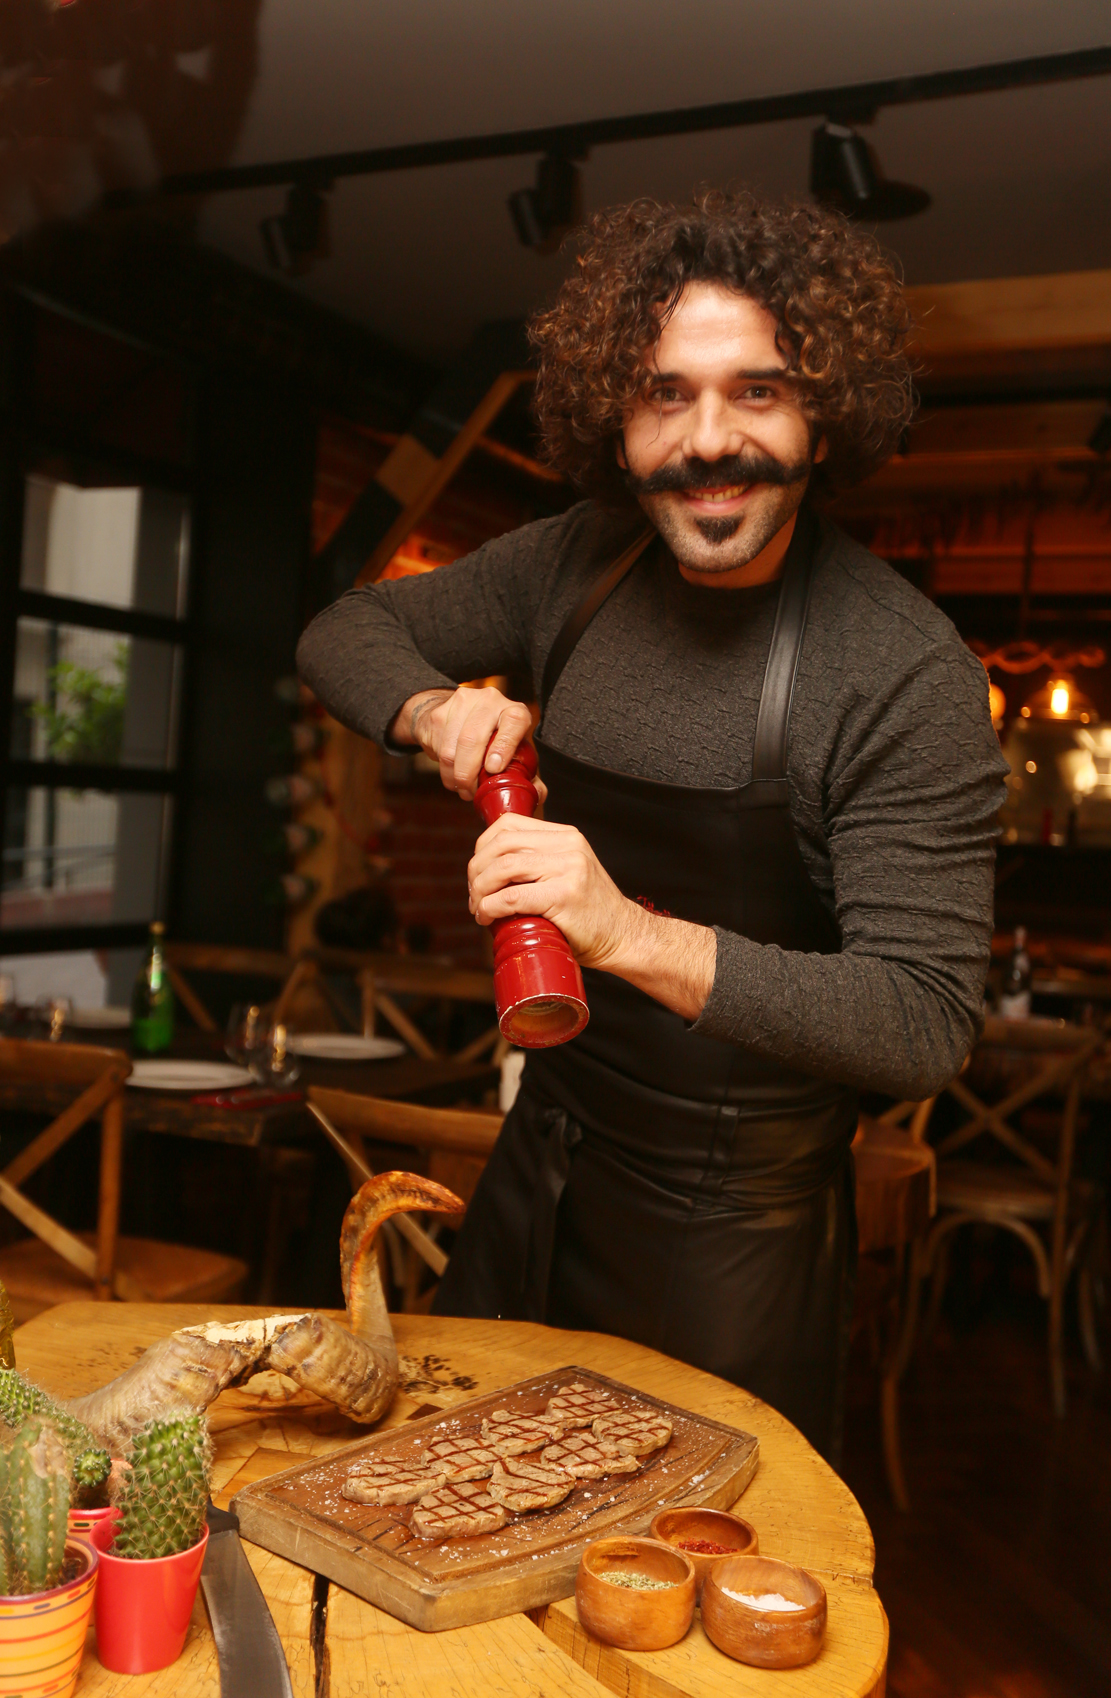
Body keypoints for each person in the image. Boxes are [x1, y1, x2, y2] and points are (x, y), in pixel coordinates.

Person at [298, 190, 1008, 1460]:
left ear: (822, 413)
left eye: (757, 392)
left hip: (735, 1242)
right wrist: (428, 711)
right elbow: (344, 627)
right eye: (663, 395)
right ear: (613, 422)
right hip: (537, 1168)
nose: (708, 440)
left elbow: (917, 1022)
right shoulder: (575, 564)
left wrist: (623, 932)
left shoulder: (901, 672)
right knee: (449, 1515)